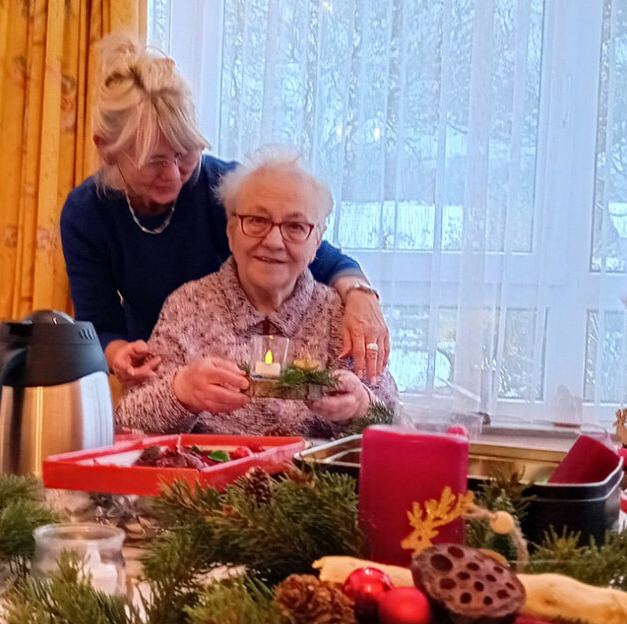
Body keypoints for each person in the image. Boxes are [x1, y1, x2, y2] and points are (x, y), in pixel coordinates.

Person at [60, 34, 389, 388]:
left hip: (242, 373)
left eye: (186, 153)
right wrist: (118, 353)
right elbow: (98, 324)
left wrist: (360, 296)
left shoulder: (223, 188)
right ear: (107, 150)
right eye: (154, 161)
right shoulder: (86, 214)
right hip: (165, 376)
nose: (173, 175)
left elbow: (312, 254)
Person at [115, 148, 398, 437]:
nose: (274, 241)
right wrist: (180, 391)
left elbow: (399, 425)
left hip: (314, 482)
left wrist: (363, 406)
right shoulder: (188, 306)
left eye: (295, 226)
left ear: (317, 242)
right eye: (257, 221)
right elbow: (128, 418)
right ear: (230, 229)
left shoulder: (340, 319)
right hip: (210, 480)